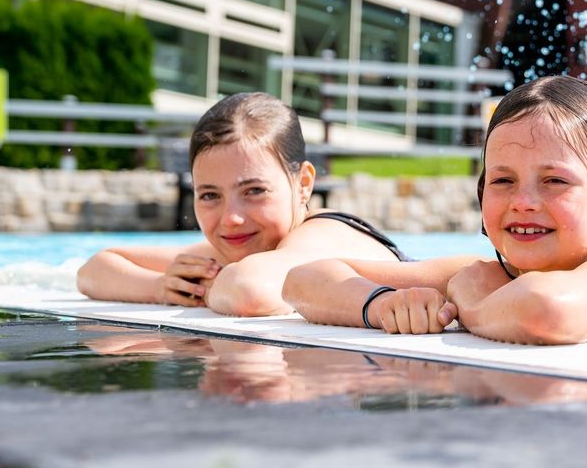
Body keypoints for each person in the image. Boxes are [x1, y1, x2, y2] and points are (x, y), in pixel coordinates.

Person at [283, 75, 587, 344]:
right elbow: (303, 280)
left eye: (555, 181)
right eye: (503, 181)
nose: (522, 202)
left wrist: (470, 304)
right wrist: (383, 304)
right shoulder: (482, 274)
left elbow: (547, 311)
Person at [76, 91, 402, 315]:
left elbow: (249, 291)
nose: (230, 218)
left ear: (303, 184)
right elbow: (95, 269)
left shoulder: (322, 235)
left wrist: (200, 288)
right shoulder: (248, 247)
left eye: (254, 191)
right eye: (210, 196)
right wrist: (163, 287)